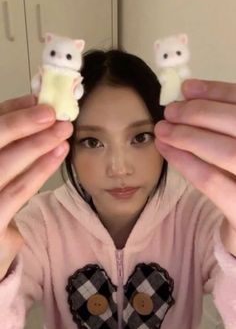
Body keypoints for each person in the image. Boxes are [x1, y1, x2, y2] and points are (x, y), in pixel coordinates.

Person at [0, 49, 235, 329]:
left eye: (140, 137)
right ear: (67, 148)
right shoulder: (41, 223)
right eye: (91, 142)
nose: (119, 168)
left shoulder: (199, 216)